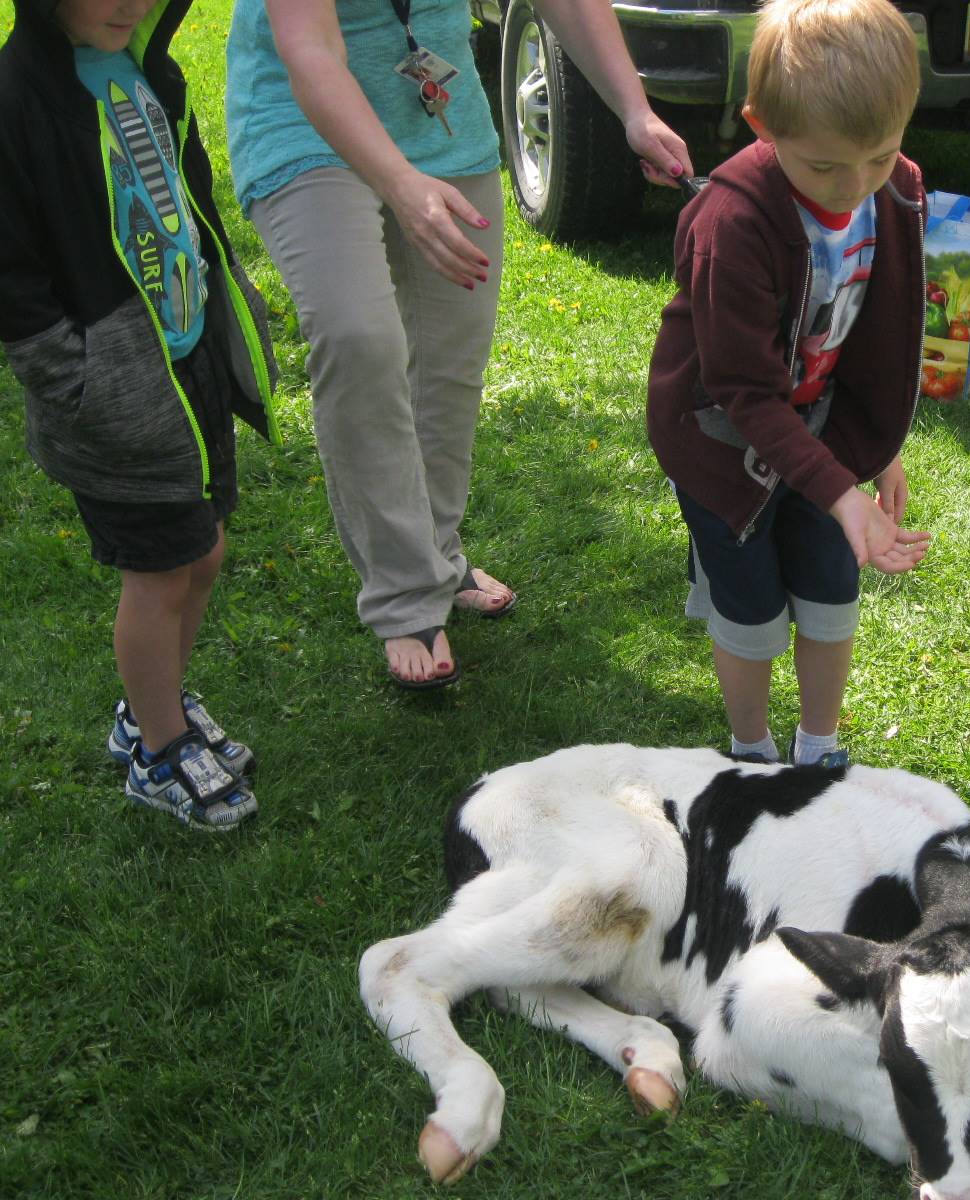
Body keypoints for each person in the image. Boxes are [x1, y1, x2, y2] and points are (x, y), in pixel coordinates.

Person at [225, 0, 692, 689]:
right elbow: (312, 53)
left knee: (451, 356)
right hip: (305, 125)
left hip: (439, 124)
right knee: (360, 338)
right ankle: (405, 593)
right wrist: (399, 185)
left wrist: (634, 108)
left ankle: (434, 553)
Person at [0, 0, 280, 828]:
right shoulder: (18, 99)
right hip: (111, 384)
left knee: (204, 547)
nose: (124, 3)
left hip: (184, 358)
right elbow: (10, 265)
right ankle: (160, 751)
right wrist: (67, 371)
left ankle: (149, 709)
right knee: (157, 570)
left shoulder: (150, 72)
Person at [647, 0, 932, 768]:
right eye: (825, 165)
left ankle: (819, 746)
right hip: (720, 444)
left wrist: (876, 448)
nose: (854, 185)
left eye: (878, 155)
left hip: (824, 427)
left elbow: (878, 332)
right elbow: (741, 391)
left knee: (832, 587)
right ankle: (751, 751)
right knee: (749, 605)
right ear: (760, 124)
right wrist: (841, 492)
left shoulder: (894, 189)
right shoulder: (731, 224)